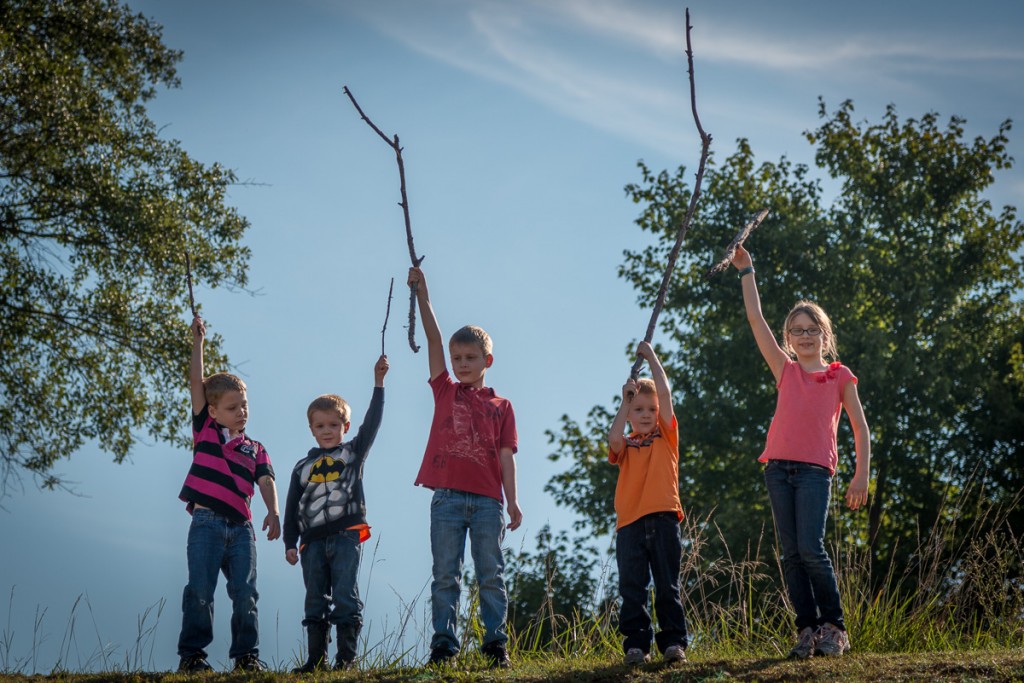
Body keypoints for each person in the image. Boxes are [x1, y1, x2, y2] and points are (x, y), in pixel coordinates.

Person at [731, 245, 871, 658]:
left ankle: (834, 626)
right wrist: (747, 271)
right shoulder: (785, 369)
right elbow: (756, 319)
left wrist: (860, 474)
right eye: (797, 330)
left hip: (814, 473)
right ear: (788, 339)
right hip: (777, 470)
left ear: (824, 336)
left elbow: (860, 428)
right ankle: (806, 629)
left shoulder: (837, 375)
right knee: (791, 555)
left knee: (812, 548)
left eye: (812, 329)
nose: (805, 336)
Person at [407, 266, 522, 669]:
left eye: (470, 358)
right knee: (446, 576)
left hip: (490, 502)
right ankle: (444, 646)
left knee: (491, 574)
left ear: (487, 359)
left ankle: (495, 645)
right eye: (457, 358)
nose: (461, 364)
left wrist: (514, 503)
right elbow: (433, 338)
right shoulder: (445, 390)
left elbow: (506, 456)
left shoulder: (501, 406)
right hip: (448, 499)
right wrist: (422, 293)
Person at [177, 315, 280, 673]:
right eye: (233, 408)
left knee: (246, 595)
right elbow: (196, 382)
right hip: (205, 522)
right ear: (214, 410)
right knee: (200, 591)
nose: (242, 413)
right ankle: (192, 657)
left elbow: (266, 480)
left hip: (241, 528)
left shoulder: (256, 448)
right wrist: (198, 343)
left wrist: (273, 511)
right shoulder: (204, 428)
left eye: (245, 406)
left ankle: (246, 657)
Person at [282, 354, 389, 672]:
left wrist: (378, 383)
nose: (326, 431)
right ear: (311, 429)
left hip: (345, 536)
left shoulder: (352, 453)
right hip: (311, 541)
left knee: (345, 593)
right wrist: (290, 542)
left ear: (344, 427)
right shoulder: (302, 467)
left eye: (333, 425)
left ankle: (346, 658)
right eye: (320, 425)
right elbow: (291, 510)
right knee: (314, 598)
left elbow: (372, 424)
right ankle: (316, 660)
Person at [607, 341, 688, 666]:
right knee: (632, 588)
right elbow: (613, 437)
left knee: (668, 585)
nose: (644, 415)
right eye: (638, 410)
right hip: (629, 524)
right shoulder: (625, 443)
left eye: (650, 410)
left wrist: (652, 357)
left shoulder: (666, 437)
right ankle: (637, 646)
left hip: (664, 518)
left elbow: (665, 394)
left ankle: (673, 643)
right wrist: (624, 403)